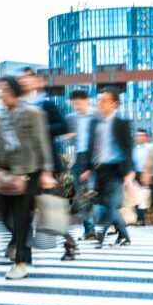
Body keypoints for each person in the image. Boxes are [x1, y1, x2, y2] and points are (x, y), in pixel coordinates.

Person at [0, 77, 56, 280]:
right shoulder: (0, 118)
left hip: (27, 173)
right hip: (4, 175)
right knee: (5, 214)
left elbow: (42, 143)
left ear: (13, 92)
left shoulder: (33, 114)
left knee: (21, 219)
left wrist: (46, 172)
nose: (1, 95)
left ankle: (20, 263)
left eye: (3, 90)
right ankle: (25, 244)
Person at [20, 69, 76, 260]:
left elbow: (63, 126)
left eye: (28, 78)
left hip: (45, 165)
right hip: (25, 165)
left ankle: (68, 241)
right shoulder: (19, 106)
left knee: (49, 207)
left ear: (37, 81)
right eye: (22, 78)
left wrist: (41, 126)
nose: (25, 81)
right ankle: (19, 247)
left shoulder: (46, 104)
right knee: (24, 206)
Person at [81, 87, 133, 248]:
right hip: (98, 169)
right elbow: (90, 147)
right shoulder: (94, 123)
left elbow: (128, 149)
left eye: (104, 100)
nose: (100, 103)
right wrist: (87, 168)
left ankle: (101, 235)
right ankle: (124, 236)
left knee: (110, 204)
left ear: (114, 104)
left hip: (116, 169)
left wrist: (129, 172)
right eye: (99, 100)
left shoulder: (121, 124)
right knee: (102, 204)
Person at [65, 89, 96, 240]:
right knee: (82, 197)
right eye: (74, 104)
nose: (77, 106)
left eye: (79, 103)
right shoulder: (71, 118)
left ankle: (111, 223)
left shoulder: (96, 115)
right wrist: (69, 136)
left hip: (94, 159)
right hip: (78, 159)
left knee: (93, 193)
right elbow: (66, 138)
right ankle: (89, 230)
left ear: (87, 101)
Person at [131, 129, 153, 226]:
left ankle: (141, 219)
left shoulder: (150, 148)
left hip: (147, 174)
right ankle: (140, 219)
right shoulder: (134, 149)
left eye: (141, 135)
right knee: (136, 197)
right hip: (135, 174)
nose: (139, 137)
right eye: (137, 135)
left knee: (144, 197)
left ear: (147, 137)